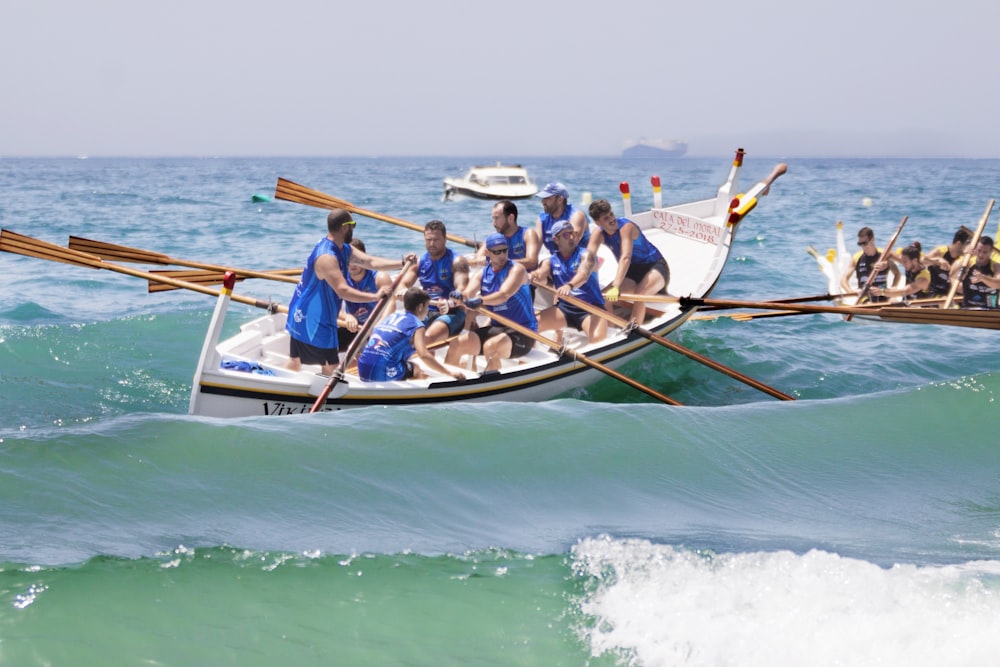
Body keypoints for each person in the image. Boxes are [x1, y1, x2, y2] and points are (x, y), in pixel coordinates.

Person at [286, 208, 415, 375]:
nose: (353, 229)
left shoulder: (344, 249)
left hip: (303, 313)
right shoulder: (327, 257)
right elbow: (343, 291)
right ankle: (319, 398)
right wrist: (375, 296)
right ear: (344, 227)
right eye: (352, 225)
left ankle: (276, 389)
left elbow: (370, 262)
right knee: (330, 367)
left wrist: (401, 262)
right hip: (313, 318)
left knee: (296, 360)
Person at [445, 233, 538, 372]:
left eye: (504, 250)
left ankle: (496, 388)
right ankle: (449, 385)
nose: (502, 255)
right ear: (487, 252)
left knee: (491, 347)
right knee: (456, 344)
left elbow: (504, 295)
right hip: (498, 327)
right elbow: (466, 294)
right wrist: (458, 297)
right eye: (497, 252)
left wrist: (481, 300)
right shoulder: (482, 274)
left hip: (523, 331)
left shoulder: (517, 270)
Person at [586, 198, 669, 324]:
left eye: (611, 214)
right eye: (606, 218)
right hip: (632, 272)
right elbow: (587, 258)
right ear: (598, 223)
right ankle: (611, 329)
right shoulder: (598, 233)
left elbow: (626, 257)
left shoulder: (626, 227)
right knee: (602, 297)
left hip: (655, 267)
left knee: (639, 294)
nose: (611, 219)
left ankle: (634, 329)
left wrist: (616, 286)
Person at [356, 286, 466, 382]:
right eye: (427, 306)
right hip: (381, 373)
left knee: (404, 361)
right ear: (420, 307)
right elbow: (423, 355)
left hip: (362, 367)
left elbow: (374, 330)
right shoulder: (417, 325)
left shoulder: (390, 317)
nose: (427, 310)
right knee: (417, 369)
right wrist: (449, 373)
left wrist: (393, 299)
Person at [532, 220, 607, 344]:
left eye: (573, 233)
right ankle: (527, 361)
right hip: (565, 309)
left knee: (598, 343)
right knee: (530, 327)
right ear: (556, 240)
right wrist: (533, 275)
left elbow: (583, 274)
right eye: (566, 235)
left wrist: (569, 285)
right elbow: (541, 274)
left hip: (591, 308)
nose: (571, 237)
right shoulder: (550, 261)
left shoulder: (587, 255)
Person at [400, 219, 471, 345]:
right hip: (426, 311)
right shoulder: (420, 263)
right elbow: (402, 285)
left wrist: (451, 302)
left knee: (426, 338)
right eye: (428, 240)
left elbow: (462, 289)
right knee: (401, 337)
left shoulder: (457, 261)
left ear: (445, 239)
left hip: (451, 312)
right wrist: (403, 291)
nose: (432, 243)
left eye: (436, 240)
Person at [337, 238, 393, 352]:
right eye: (348, 259)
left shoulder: (379, 277)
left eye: (356, 259)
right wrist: (347, 316)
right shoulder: (340, 279)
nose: (352, 264)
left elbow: (391, 305)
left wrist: (378, 327)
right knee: (326, 344)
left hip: (378, 327)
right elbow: (331, 307)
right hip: (354, 326)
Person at [473, 200, 540, 271]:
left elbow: (532, 262)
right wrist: (481, 258)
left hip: (525, 279)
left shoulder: (528, 234)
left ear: (510, 218)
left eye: (497, 218)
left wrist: (501, 263)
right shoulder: (494, 237)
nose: (494, 223)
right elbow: (477, 258)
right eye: (493, 218)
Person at [840, 226, 901, 302]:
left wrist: (893, 288)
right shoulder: (856, 258)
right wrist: (851, 292)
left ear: (872, 240)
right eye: (860, 244)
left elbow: (897, 274)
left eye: (865, 243)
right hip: (865, 297)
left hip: (883, 293)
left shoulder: (885, 254)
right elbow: (843, 280)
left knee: (895, 302)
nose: (862, 246)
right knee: (869, 305)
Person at [534, 182, 590, 255]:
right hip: (557, 261)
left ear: (560, 199)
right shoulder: (542, 219)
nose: (543, 201)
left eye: (547, 198)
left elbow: (569, 247)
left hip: (580, 259)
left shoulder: (576, 216)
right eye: (543, 198)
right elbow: (535, 248)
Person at [869, 243, 934, 301]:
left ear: (914, 261)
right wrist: (885, 263)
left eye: (905, 262)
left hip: (921, 309)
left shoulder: (923, 278)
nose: (903, 264)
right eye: (902, 261)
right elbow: (890, 254)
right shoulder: (909, 262)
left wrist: (882, 292)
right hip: (907, 304)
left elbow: (905, 291)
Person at [956, 236, 1000, 308]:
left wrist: (983, 278)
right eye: (979, 250)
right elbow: (952, 277)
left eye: (985, 252)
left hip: (990, 309)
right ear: (975, 249)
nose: (980, 255)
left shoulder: (996, 266)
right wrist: (964, 256)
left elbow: (998, 284)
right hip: (969, 308)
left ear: (991, 251)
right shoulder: (968, 262)